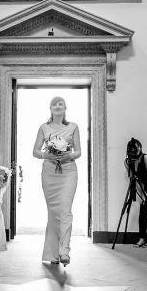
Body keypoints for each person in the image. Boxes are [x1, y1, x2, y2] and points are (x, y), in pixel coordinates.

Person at [33, 96, 82, 266]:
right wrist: (48, 155)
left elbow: (79, 151)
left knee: (65, 210)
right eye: (54, 103)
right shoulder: (44, 127)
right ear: (50, 108)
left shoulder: (73, 127)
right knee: (53, 213)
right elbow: (35, 151)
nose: (57, 105)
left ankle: (64, 251)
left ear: (65, 107)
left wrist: (69, 154)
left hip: (68, 171)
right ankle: (53, 254)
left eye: (61, 103)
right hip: (49, 172)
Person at [123, 138, 147, 248]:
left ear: (139, 148)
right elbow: (134, 178)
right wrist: (142, 194)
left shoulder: (146, 158)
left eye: (135, 149)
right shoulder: (128, 161)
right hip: (143, 187)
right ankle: (142, 238)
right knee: (143, 209)